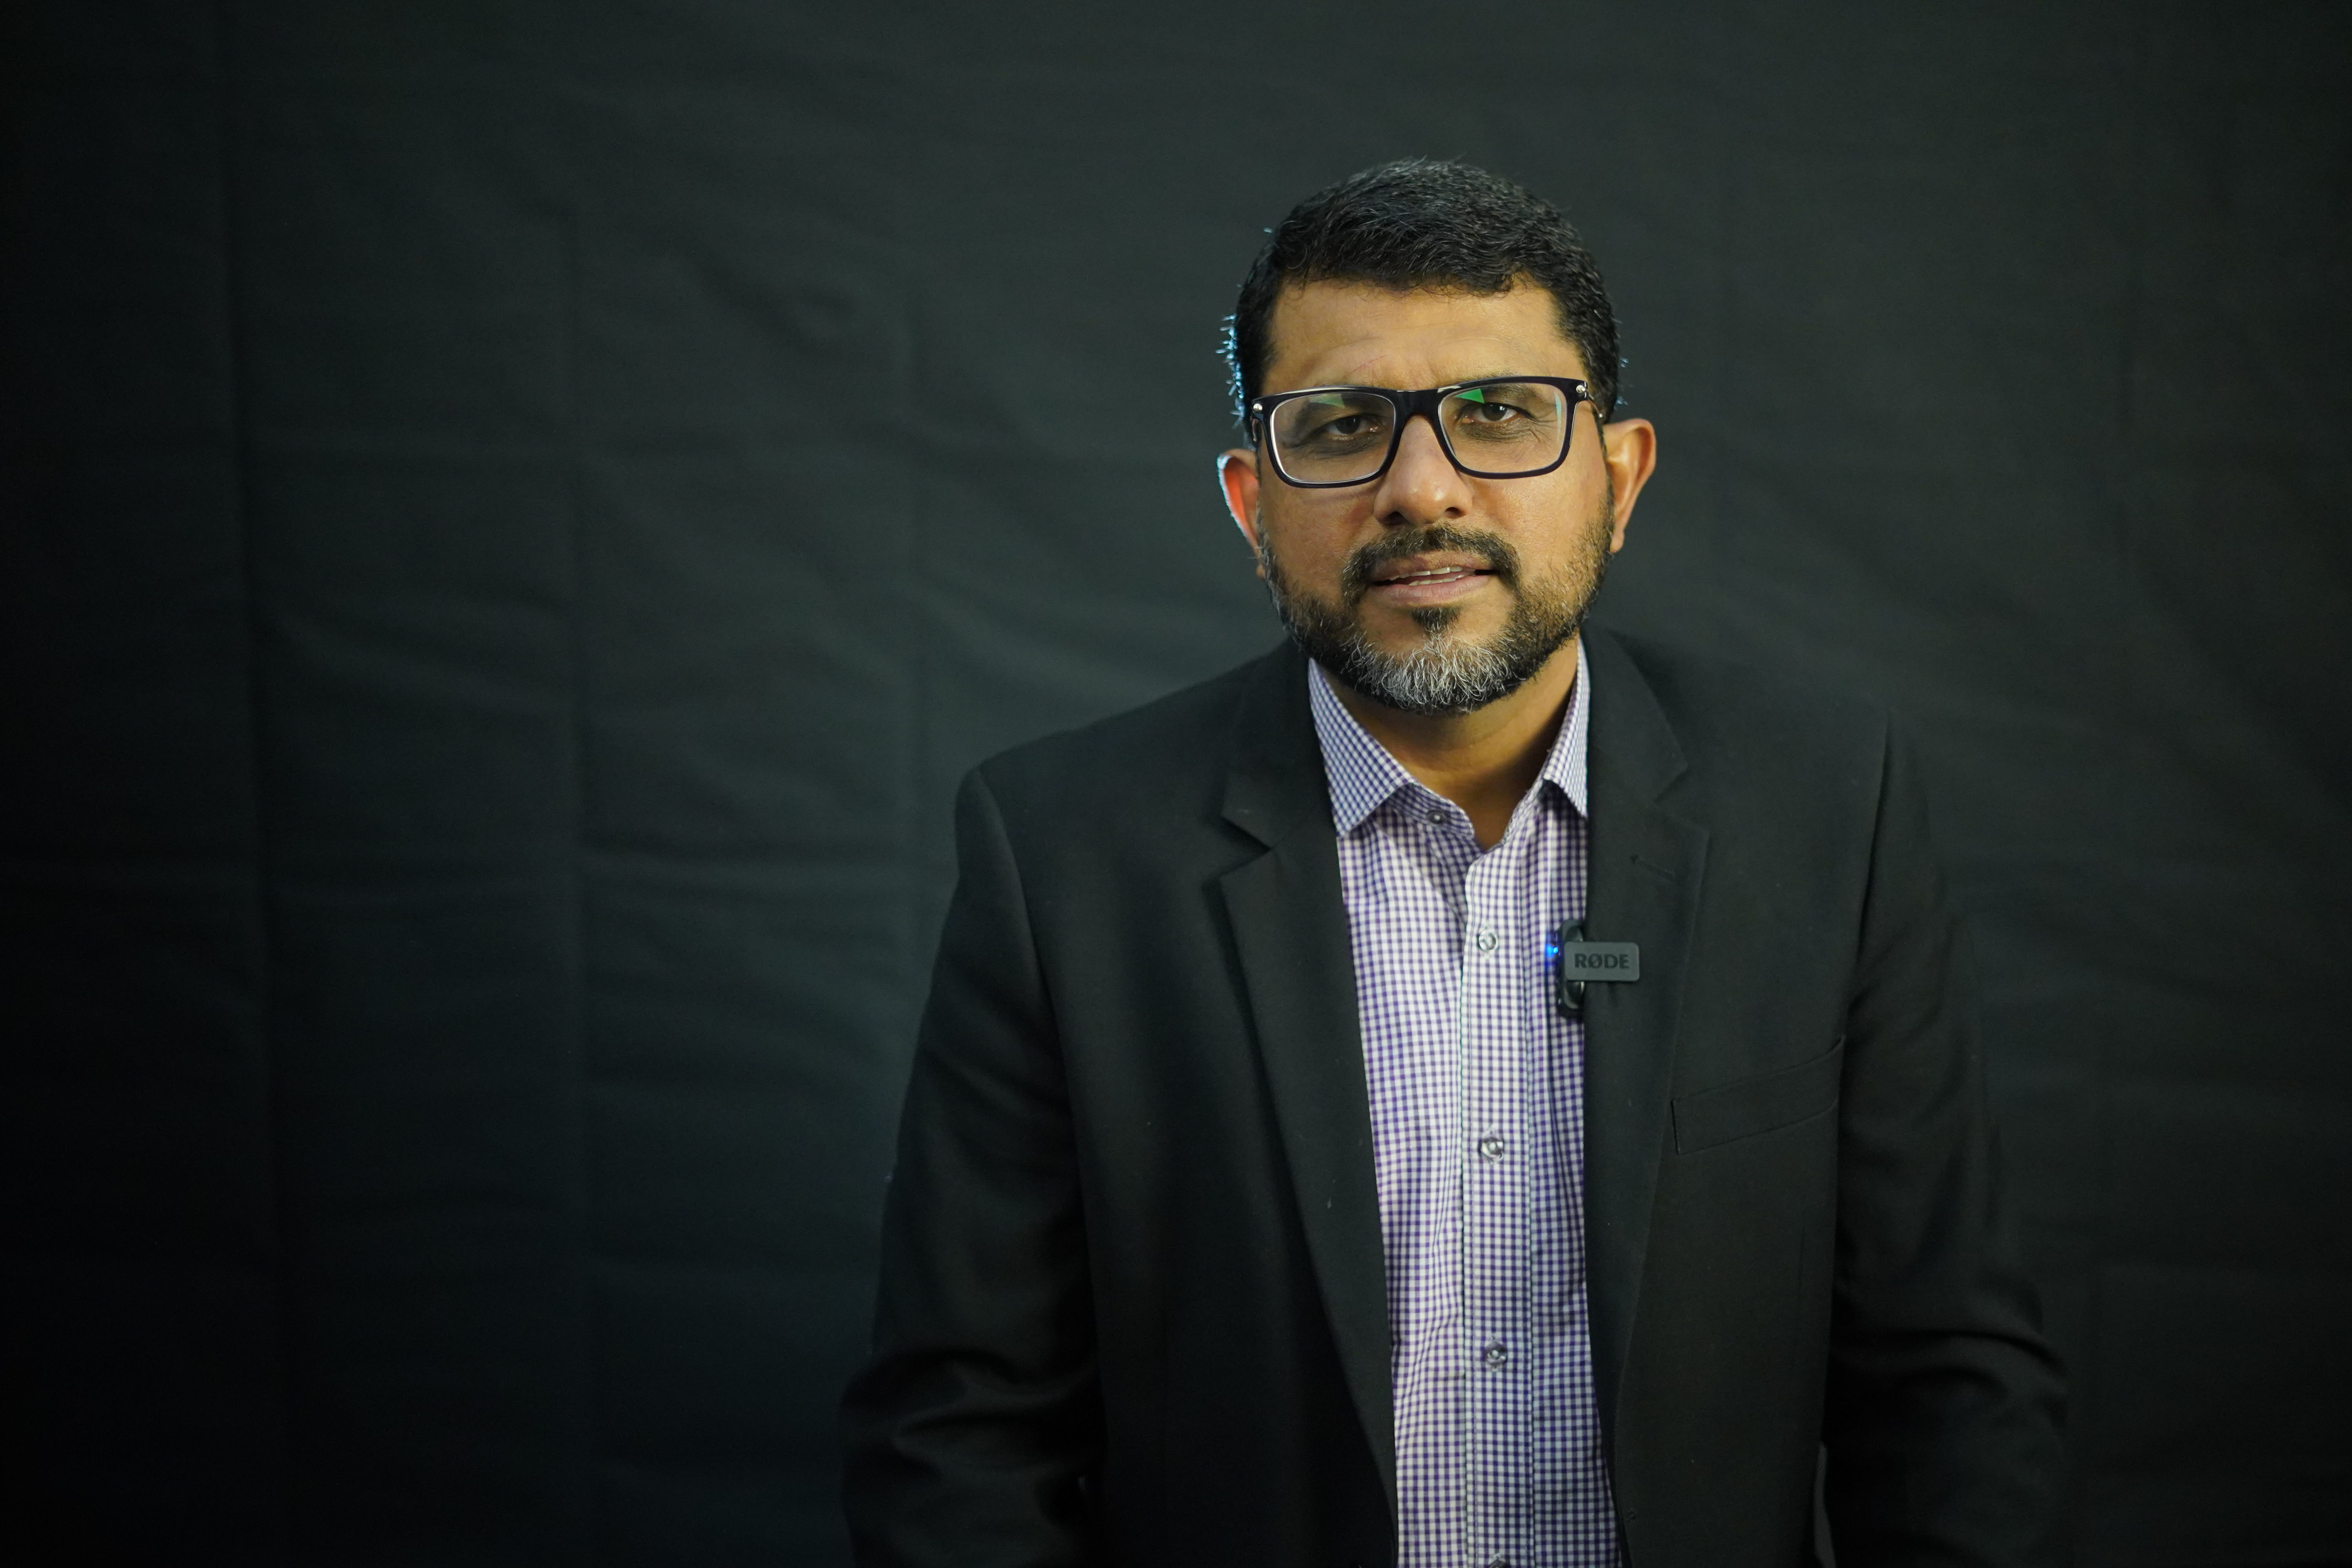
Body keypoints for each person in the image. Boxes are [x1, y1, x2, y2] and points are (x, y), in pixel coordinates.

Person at [840, 159, 2065, 1568]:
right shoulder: (1062, 855)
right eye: (1341, 426)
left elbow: (1950, 1382)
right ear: (1251, 505)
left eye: (1500, 413)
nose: (1422, 489)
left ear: (1619, 477)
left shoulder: (1829, 808)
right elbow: (961, 1432)